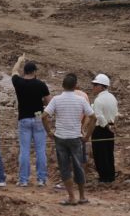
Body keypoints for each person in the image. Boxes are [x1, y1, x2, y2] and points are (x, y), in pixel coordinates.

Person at [42, 73, 95, 206]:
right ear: (75, 86)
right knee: (78, 166)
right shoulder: (81, 100)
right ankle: (82, 196)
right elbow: (93, 118)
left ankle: (71, 197)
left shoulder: (56, 99)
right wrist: (87, 136)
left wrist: (49, 132)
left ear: (62, 85)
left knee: (65, 167)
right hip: (76, 137)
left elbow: (44, 116)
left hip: (60, 137)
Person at [11, 54, 49, 187]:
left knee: (25, 150)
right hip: (38, 117)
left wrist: (19, 60)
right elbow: (48, 103)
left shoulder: (18, 82)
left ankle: (23, 180)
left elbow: (14, 72)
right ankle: (41, 179)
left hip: (23, 118)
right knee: (40, 150)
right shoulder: (41, 84)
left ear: (24, 71)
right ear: (34, 71)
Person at [90, 74, 118, 183]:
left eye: (95, 85)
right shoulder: (112, 97)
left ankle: (104, 177)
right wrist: (112, 127)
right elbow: (116, 113)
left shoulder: (98, 100)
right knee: (109, 152)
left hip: (101, 129)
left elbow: (99, 117)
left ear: (102, 86)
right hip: (111, 127)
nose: (93, 87)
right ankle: (110, 175)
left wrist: (106, 126)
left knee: (100, 154)